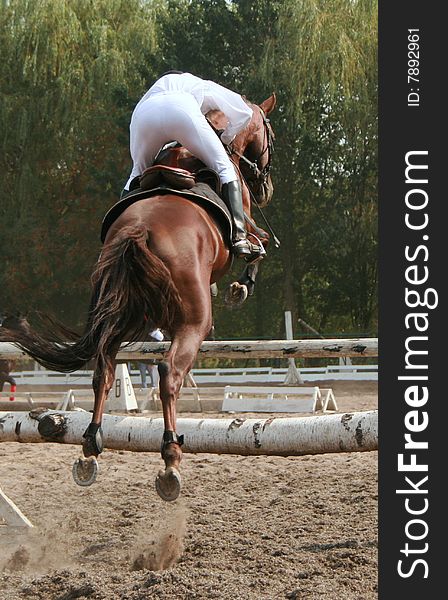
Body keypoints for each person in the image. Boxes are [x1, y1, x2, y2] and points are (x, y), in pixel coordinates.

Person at [123, 71, 254, 257]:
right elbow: (244, 113)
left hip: (144, 114)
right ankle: (240, 238)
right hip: (181, 109)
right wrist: (225, 139)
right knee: (225, 168)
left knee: (136, 173)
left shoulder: (155, 89)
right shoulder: (201, 84)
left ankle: (118, 234)